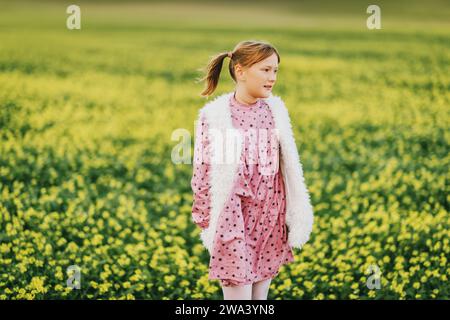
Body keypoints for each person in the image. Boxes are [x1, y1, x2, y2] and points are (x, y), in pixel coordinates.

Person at [191, 40, 314, 300]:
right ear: (240, 71)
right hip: (233, 219)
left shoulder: (275, 110)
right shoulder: (215, 116)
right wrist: (205, 218)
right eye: (265, 70)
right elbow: (203, 172)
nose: (272, 78)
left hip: (270, 217)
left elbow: (287, 165)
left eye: (275, 71)